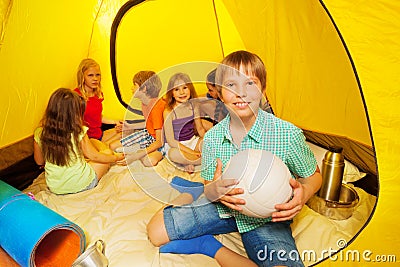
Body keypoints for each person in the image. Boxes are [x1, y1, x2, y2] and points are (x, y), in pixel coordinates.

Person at [147, 51, 322, 267]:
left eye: (250, 83)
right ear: (219, 93)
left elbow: (313, 176)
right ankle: (190, 197)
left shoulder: (287, 134)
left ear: (263, 90)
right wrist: (213, 190)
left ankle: (211, 248)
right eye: (231, 85)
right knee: (155, 232)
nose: (241, 93)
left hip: (268, 220)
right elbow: (210, 184)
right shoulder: (212, 138)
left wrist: (303, 195)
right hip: (224, 209)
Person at [33, 88, 125, 195]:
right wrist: (116, 157)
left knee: (92, 144)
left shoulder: (39, 133)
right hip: (81, 183)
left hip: (55, 187)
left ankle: (100, 146)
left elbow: (39, 161)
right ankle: (104, 147)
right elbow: (95, 157)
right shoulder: (78, 131)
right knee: (106, 153)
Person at [110, 71, 165, 167]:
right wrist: (130, 126)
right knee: (112, 146)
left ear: (143, 88)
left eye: (134, 85)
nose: (132, 88)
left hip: (160, 140)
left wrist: (137, 155)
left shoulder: (156, 108)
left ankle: (139, 152)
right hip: (148, 134)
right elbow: (150, 123)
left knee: (148, 161)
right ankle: (137, 149)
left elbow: (159, 141)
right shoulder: (145, 103)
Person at [163, 72, 206, 173]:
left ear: (190, 89)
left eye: (185, 88)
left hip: (192, 141)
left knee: (208, 143)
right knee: (173, 154)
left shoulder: (194, 105)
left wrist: (207, 142)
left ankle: (191, 161)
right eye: (177, 89)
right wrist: (192, 152)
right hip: (178, 145)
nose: (182, 92)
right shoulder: (169, 112)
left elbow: (200, 129)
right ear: (172, 93)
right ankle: (203, 159)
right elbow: (171, 141)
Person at [74, 58, 122, 144]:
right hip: (88, 139)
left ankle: (106, 145)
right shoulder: (76, 96)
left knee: (125, 131)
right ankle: (106, 146)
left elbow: (97, 116)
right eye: (90, 75)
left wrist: (115, 122)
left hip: (99, 135)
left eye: (97, 75)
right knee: (109, 149)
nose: (95, 79)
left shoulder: (98, 95)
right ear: (82, 76)